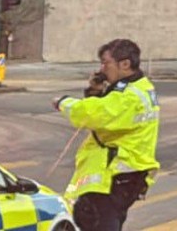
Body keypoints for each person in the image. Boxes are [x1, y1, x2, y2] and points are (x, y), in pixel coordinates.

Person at [51, 38, 160, 231]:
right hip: (127, 175)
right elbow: (108, 114)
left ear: (125, 64)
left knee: (97, 220)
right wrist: (95, 91)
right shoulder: (140, 87)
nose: (102, 69)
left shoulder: (129, 96)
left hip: (114, 175)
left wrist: (63, 102)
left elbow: (93, 114)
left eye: (106, 63)